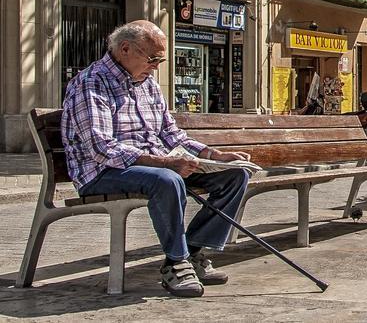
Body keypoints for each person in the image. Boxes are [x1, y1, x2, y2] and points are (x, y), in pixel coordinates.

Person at [62, 20, 251, 297]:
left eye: (161, 59)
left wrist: (213, 155)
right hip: (102, 172)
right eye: (153, 58)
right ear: (125, 49)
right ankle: (176, 263)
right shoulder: (92, 82)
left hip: (153, 165)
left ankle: (194, 252)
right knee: (167, 178)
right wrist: (164, 163)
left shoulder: (147, 83)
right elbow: (101, 148)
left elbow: (170, 132)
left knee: (235, 174)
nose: (157, 65)